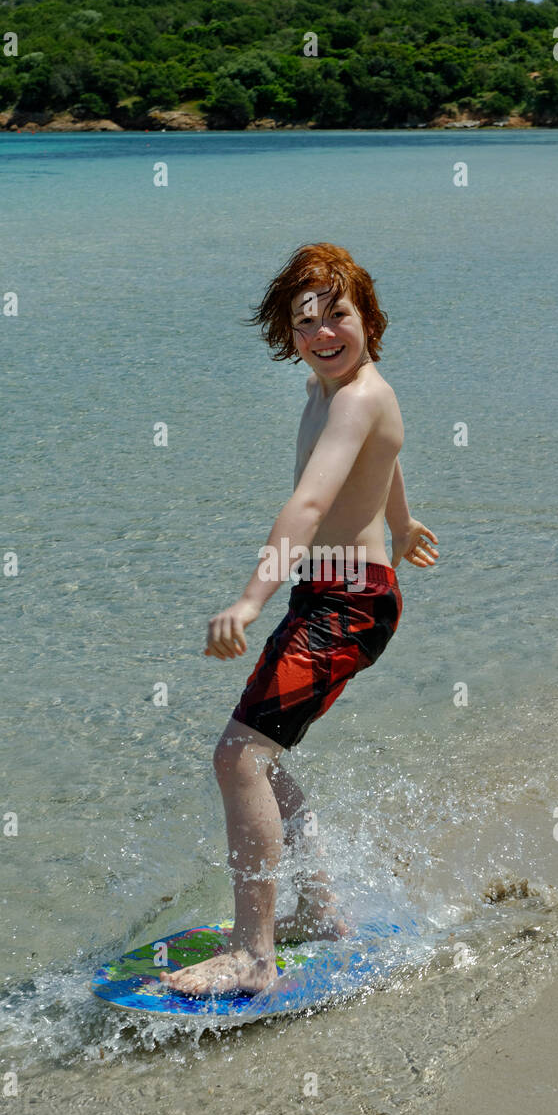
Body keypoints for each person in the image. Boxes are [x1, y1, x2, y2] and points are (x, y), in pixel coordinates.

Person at [162, 243, 438, 996]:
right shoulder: (330, 392)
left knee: (237, 758)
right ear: (287, 335)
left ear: (367, 317)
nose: (322, 332)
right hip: (327, 597)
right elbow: (384, 460)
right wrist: (404, 523)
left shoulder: (355, 396)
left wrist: (249, 599)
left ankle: (254, 957)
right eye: (304, 320)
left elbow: (311, 503)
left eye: (336, 314)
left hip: (347, 605)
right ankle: (319, 912)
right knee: (260, 755)